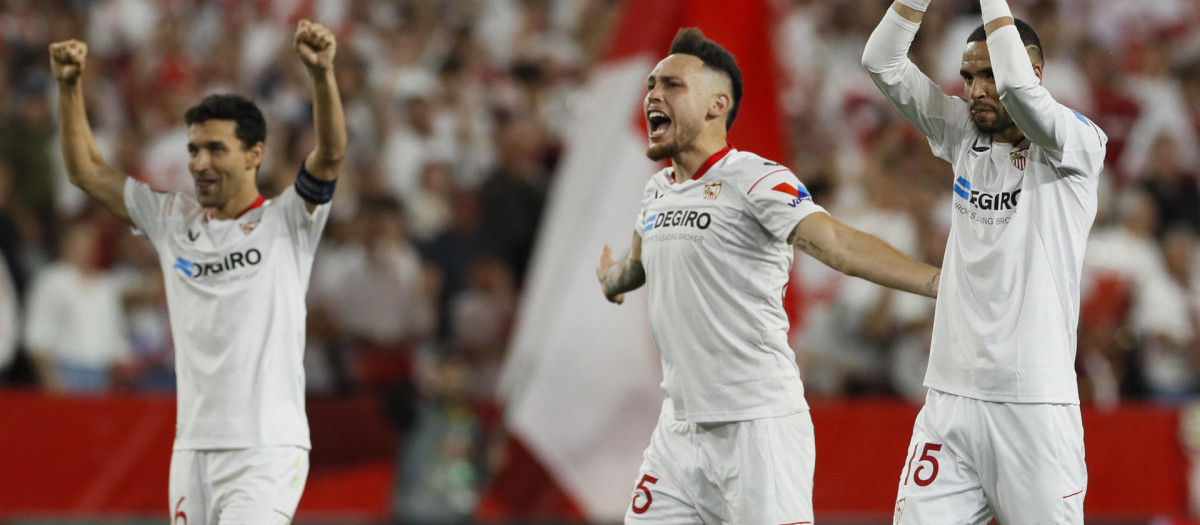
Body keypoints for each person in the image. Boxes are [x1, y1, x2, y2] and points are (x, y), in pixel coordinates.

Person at [596, 28, 941, 525]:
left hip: (757, 426)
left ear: (717, 105)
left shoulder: (756, 179)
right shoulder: (658, 192)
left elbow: (839, 245)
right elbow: (638, 263)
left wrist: (939, 284)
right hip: (678, 430)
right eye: (651, 84)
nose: (652, 94)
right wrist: (612, 280)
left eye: (671, 85)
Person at [50, 19, 346, 523]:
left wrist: (321, 75)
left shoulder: (288, 221)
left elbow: (331, 152)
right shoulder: (172, 221)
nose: (199, 163)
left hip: (265, 449)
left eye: (215, 149)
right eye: (193, 149)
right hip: (192, 450)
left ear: (254, 154)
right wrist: (69, 86)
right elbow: (86, 172)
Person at [861, 0, 1107, 522]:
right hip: (949, 399)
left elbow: (1021, 93)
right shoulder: (961, 134)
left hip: (1033, 406)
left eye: (988, 75)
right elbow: (880, 61)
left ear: (1033, 71)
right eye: (968, 76)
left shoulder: (1076, 145)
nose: (974, 91)